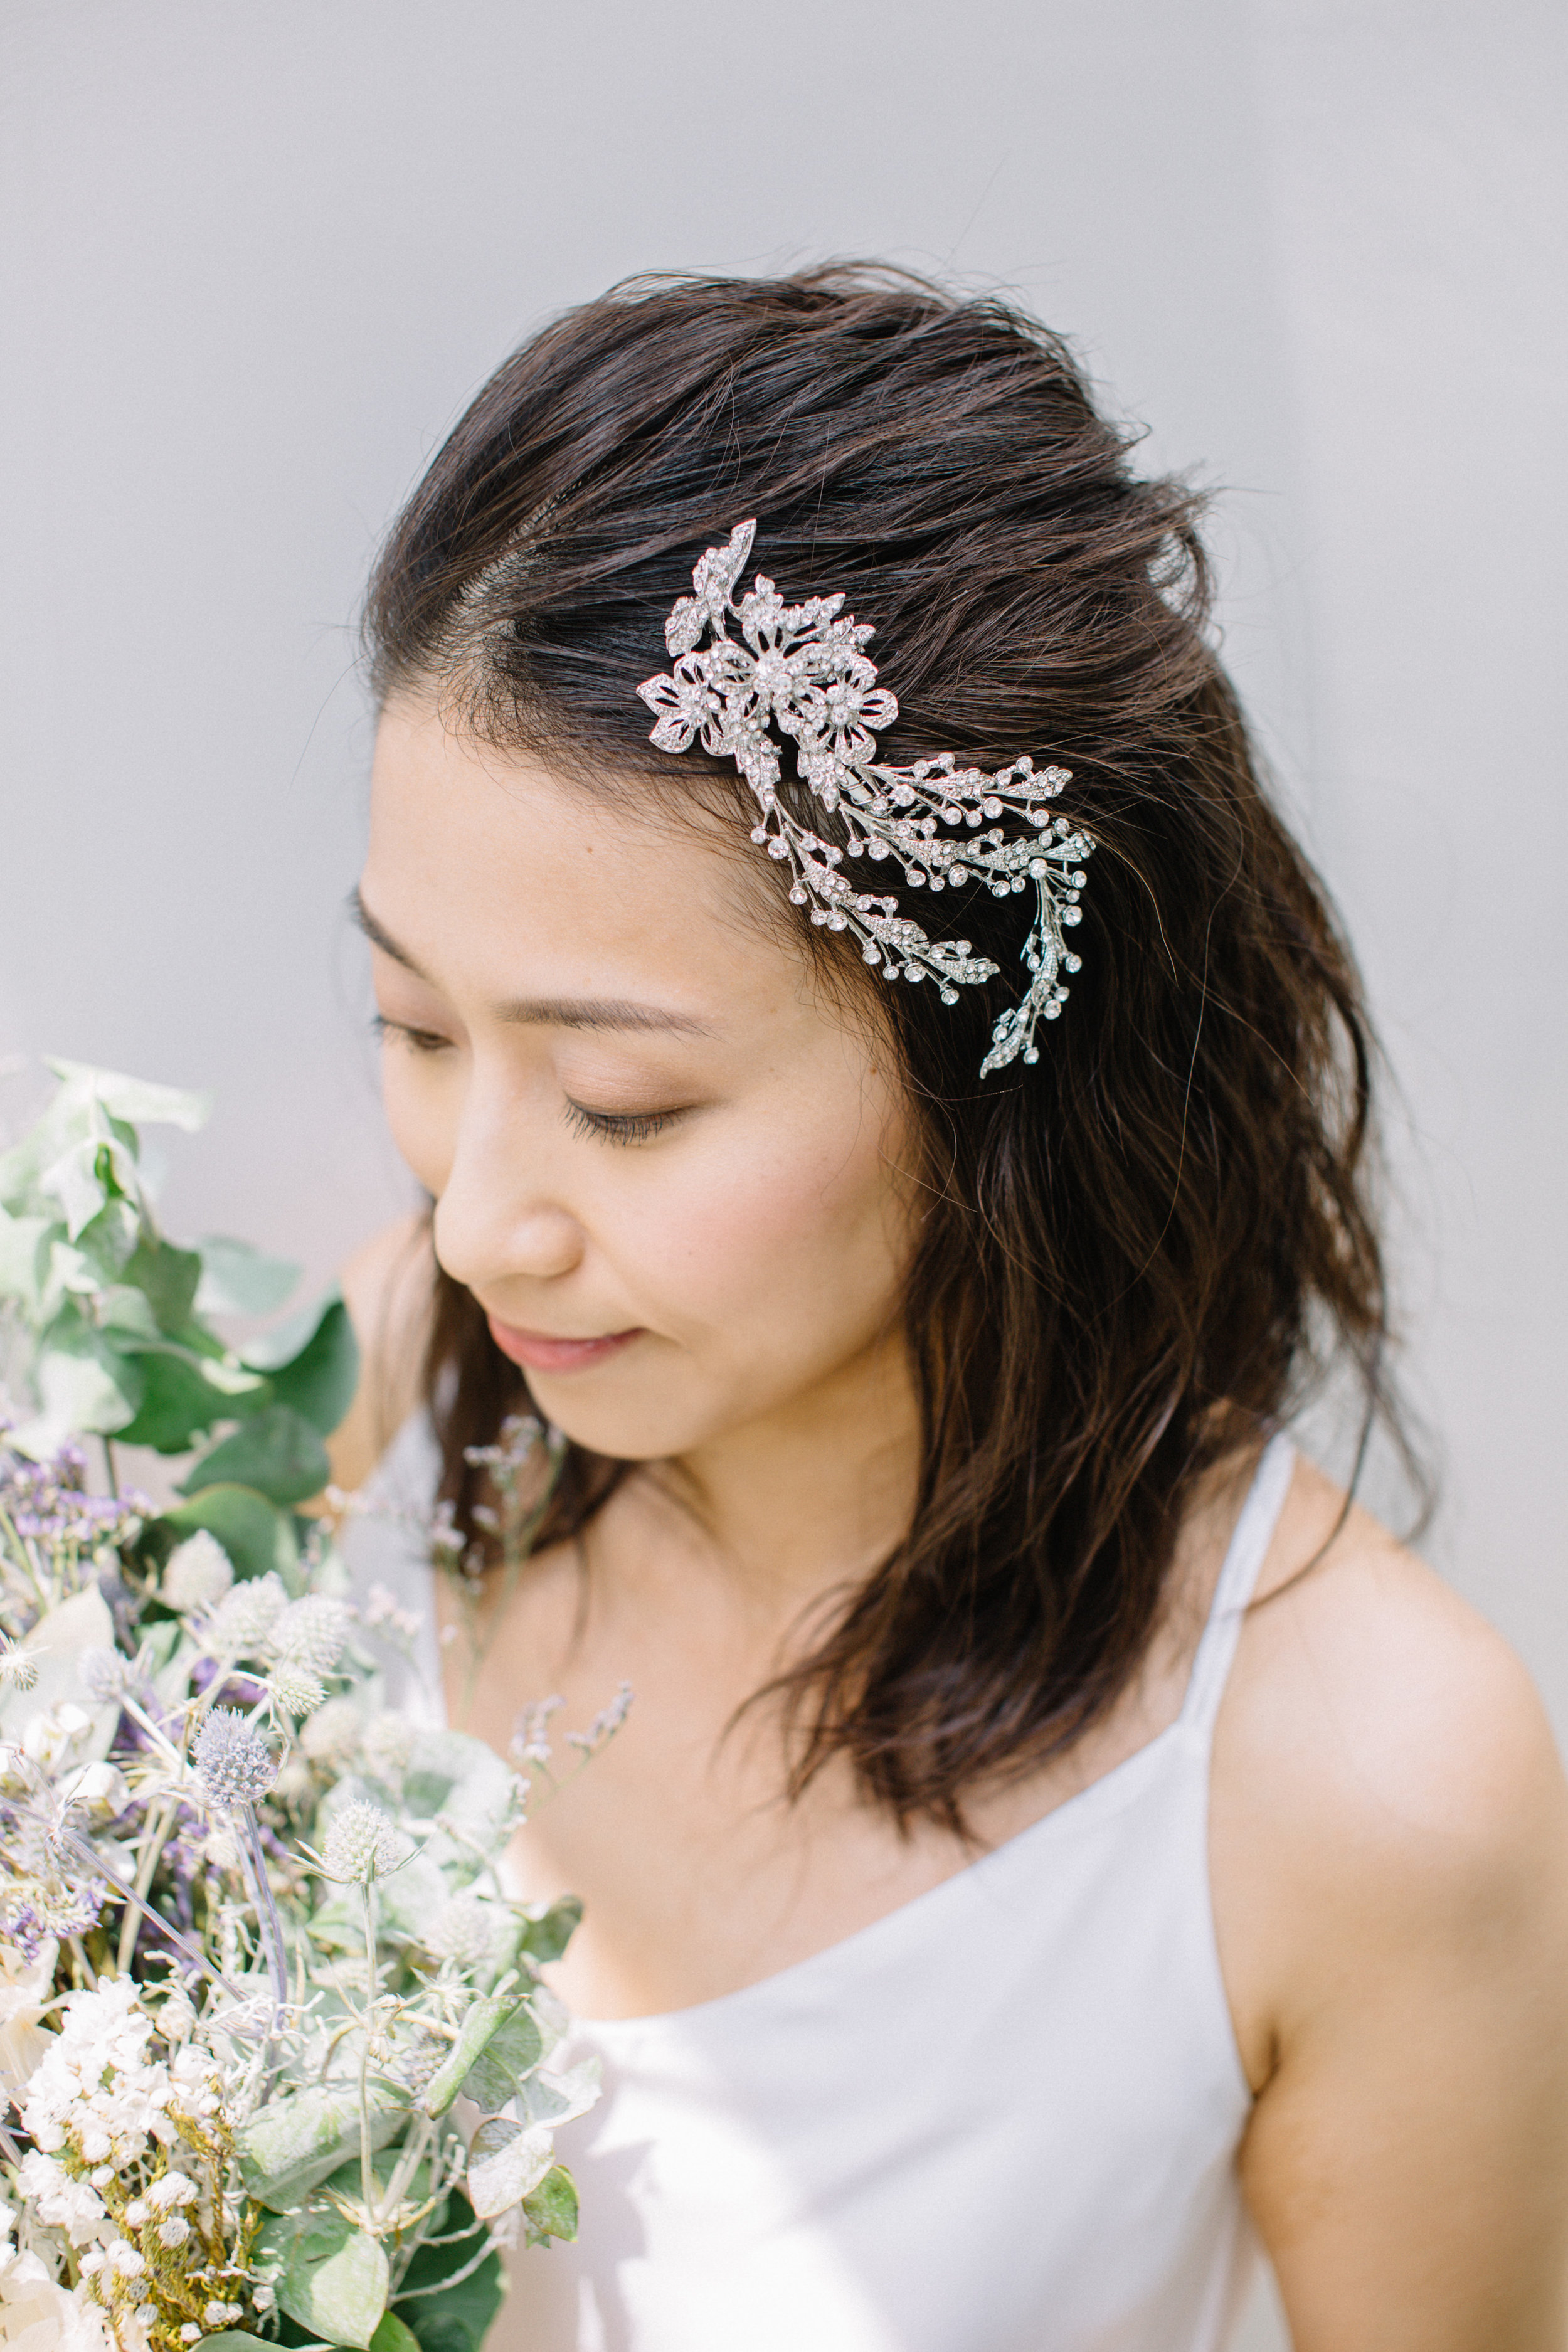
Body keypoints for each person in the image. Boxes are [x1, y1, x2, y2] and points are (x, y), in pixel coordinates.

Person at [329, 266, 1568, 2351]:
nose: (475, 1229)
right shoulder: (389, 1404)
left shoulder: (1358, 1781)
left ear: (997, 1064)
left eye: (626, 1105)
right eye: (411, 1024)